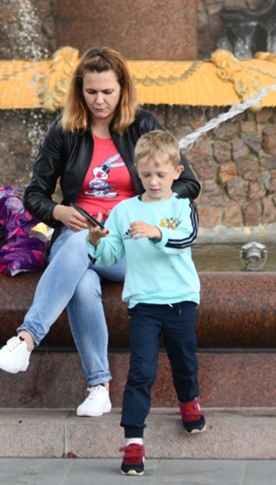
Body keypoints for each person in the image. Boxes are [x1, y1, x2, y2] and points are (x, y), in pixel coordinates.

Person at [0, 47, 200, 420]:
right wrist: (57, 210)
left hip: (128, 245)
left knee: (79, 250)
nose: (99, 100)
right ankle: (99, 388)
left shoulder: (143, 125)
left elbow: (188, 183)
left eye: (107, 92)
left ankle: (27, 338)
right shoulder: (65, 130)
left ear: (122, 89)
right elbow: (35, 193)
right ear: (79, 91)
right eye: (91, 92)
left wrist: (143, 205)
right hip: (81, 236)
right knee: (83, 280)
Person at [85, 127, 205, 476]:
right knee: (140, 372)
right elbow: (111, 255)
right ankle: (134, 441)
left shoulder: (182, 206)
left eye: (161, 175)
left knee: (184, 362)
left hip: (181, 300)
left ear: (176, 172)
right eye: (147, 174)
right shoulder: (123, 211)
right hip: (143, 305)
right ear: (136, 170)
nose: (153, 182)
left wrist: (157, 232)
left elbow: (187, 238)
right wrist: (96, 241)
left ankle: (189, 401)